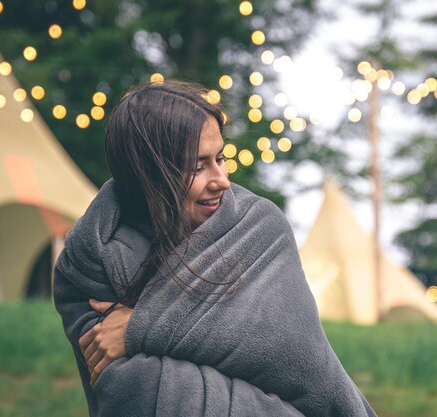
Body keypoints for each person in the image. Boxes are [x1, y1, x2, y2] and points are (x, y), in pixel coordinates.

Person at [54, 80, 377, 417]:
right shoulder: (91, 261)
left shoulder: (259, 231)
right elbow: (133, 391)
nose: (221, 179)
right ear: (146, 175)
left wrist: (141, 328)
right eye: (197, 166)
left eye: (220, 158)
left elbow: (297, 361)